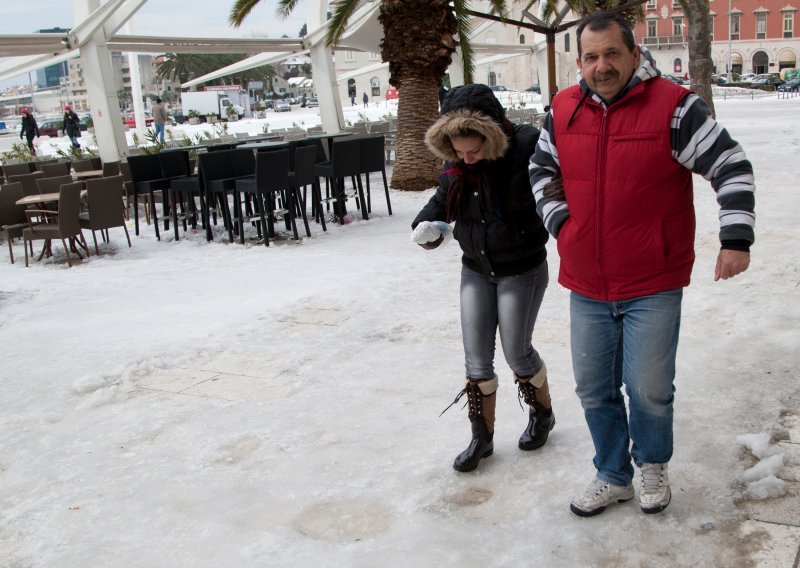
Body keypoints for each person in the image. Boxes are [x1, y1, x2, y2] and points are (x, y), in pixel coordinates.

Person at [529, 11, 755, 517]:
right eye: (591, 56)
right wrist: (562, 223)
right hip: (587, 280)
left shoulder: (674, 108)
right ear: (579, 61)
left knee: (649, 388)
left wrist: (736, 237)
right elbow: (542, 167)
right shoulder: (563, 108)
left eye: (612, 53)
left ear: (635, 53)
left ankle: (651, 464)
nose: (601, 66)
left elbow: (730, 164)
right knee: (593, 388)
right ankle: (613, 475)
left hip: (653, 279)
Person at [412, 83, 554, 473]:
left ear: (491, 136)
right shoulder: (456, 164)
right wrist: (426, 227)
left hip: (521, 268)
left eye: (474, 151)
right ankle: (482, 437)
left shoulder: (526, 147)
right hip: (476, 268)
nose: (467, 159)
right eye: (459, 153)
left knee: (516, 352)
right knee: (476, 358)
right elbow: (442, 200)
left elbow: (556, 188)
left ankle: (543, 414)